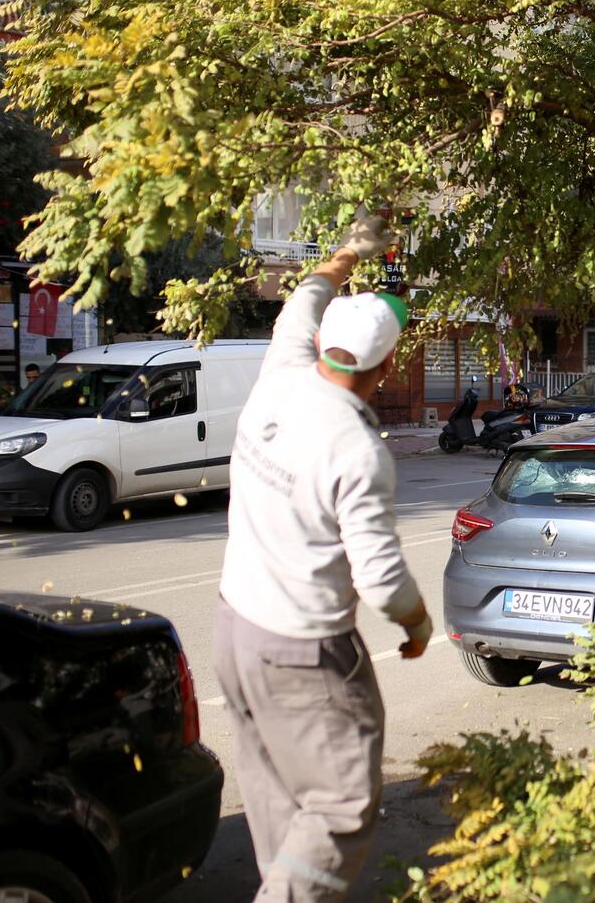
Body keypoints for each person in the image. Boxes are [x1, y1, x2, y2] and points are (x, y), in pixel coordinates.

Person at [213, 211, 432, 902]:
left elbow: (306, 297)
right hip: (304, 655)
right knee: (338, 806)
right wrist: (418, 625)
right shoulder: (357, 450)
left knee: (283, 803)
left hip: (234, 633)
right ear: (389, 366)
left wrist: (347, 256)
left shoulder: (280, 370)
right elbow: (381, 578)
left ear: (321, 347)